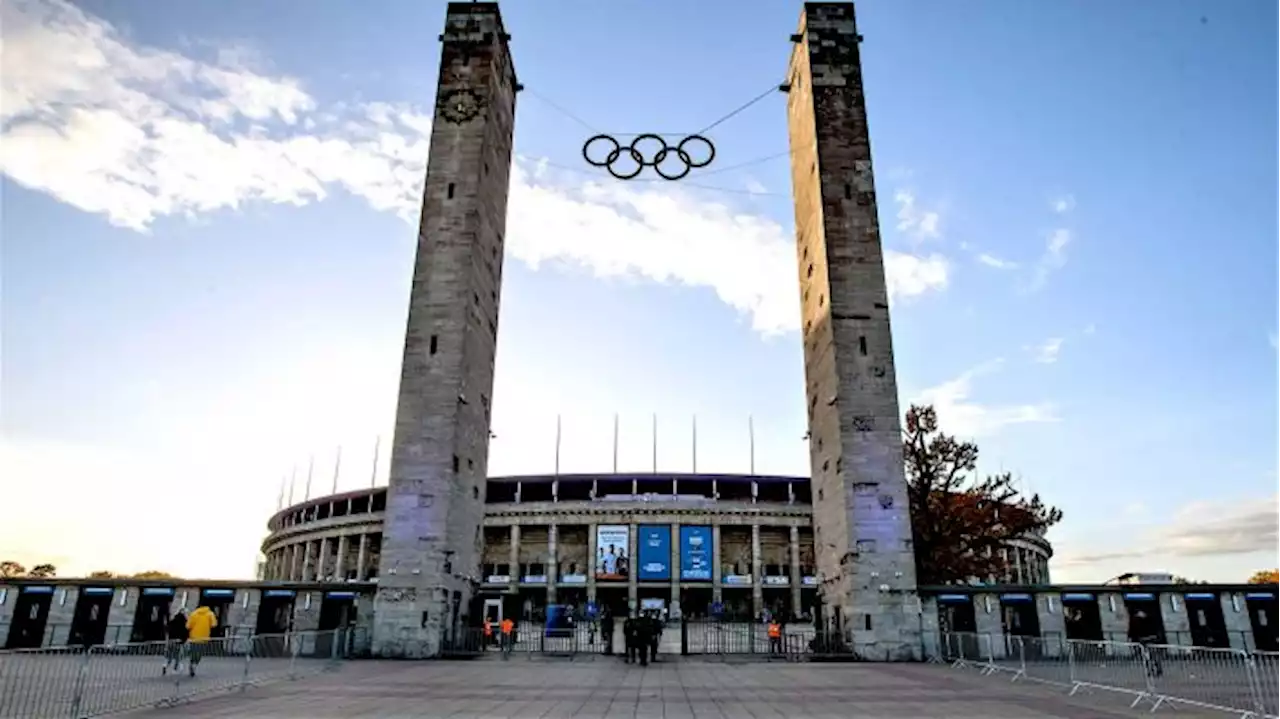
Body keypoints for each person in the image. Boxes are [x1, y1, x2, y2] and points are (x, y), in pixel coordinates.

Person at [184, 604, 218, 678]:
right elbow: (214, 625)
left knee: (193, 653)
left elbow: (188, 626)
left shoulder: (194, 614)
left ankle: (191, 664)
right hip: (204, 638)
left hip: (193, 638)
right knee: (199, 654)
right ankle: (195, 665)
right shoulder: (210, 614)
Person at [163, 609, 188, 676]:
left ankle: (165, 665)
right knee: (177, 656)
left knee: (169, 655)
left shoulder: (172, 621)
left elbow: (167, 629)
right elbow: (185, 633)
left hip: (171, 641)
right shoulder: (184, 623)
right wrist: (183, 641)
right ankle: (174, 669)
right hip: (178, 641)